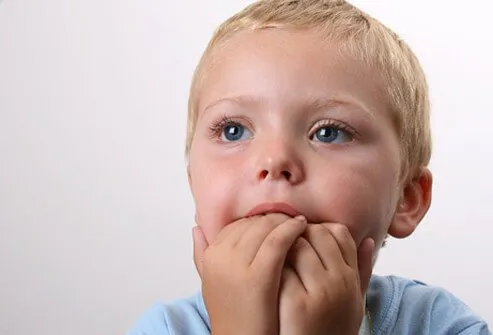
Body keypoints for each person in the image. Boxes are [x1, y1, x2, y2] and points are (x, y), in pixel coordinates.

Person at [128, 0, 491, 334]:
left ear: (406, 198)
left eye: (329, 133)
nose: (274, 161)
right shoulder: (163, 328)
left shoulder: (440, 325)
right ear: (193, 180)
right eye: (233, 130)